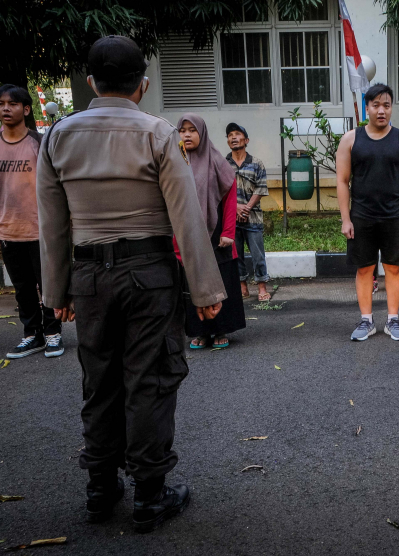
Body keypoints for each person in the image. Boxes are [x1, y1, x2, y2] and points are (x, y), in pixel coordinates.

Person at [37, 35, 226, 533]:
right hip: (149, 275)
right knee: (150, 380)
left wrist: (55, 293)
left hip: (88, 277)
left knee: (99, 380)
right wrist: (206, 291)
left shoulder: (58, 135)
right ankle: (149, 494)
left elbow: (51, 223)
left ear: (92, 81)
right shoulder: (158, 133)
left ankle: (100, 487)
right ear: (142, 85)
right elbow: (187, 217)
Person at [0, 84, 63, 358]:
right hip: (8, 228)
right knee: (22, 287)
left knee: (46, 284)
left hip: (40, 228)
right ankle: (31, 334)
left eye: (12, 104)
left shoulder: (40, 142)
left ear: (25, 109)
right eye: (0, 103)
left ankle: (53, 334)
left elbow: (55, 186)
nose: (5, 108)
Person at [336, 83, 399, 341]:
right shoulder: (351, 139)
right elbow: (342, 181)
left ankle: (392, 320)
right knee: (364, 269)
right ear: (367, 108)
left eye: (386, 105)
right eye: (376, 105)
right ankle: (366, 321)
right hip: (361, 217)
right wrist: (346, 219)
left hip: (394, 215)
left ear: (391, 108)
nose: (381, 111)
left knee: (393, 268)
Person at [177, 114, 246, 350]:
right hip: (188, 230)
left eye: (192, 130)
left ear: (202, 133)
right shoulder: (175, 160)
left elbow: (229, 197)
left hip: (216, 232)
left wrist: (228, 231)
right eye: (182, 130)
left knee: (220, 277)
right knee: (193, 277)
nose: (186, 134)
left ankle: (220, 329)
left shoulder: (216, 161)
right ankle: (200, 331)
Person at [225, 123, 271, 302]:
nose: (233, 137)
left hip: (253, 217)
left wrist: (246, 208)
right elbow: (219, 190)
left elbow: (261, 188)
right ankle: (242, 287)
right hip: (231, 218)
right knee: (236, 255)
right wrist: (235, 207)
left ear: (246, 140)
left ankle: (261, 288)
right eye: (230, 135)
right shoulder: (222, 163)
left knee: (258, 255)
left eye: (237, 134)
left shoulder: (256, 163)